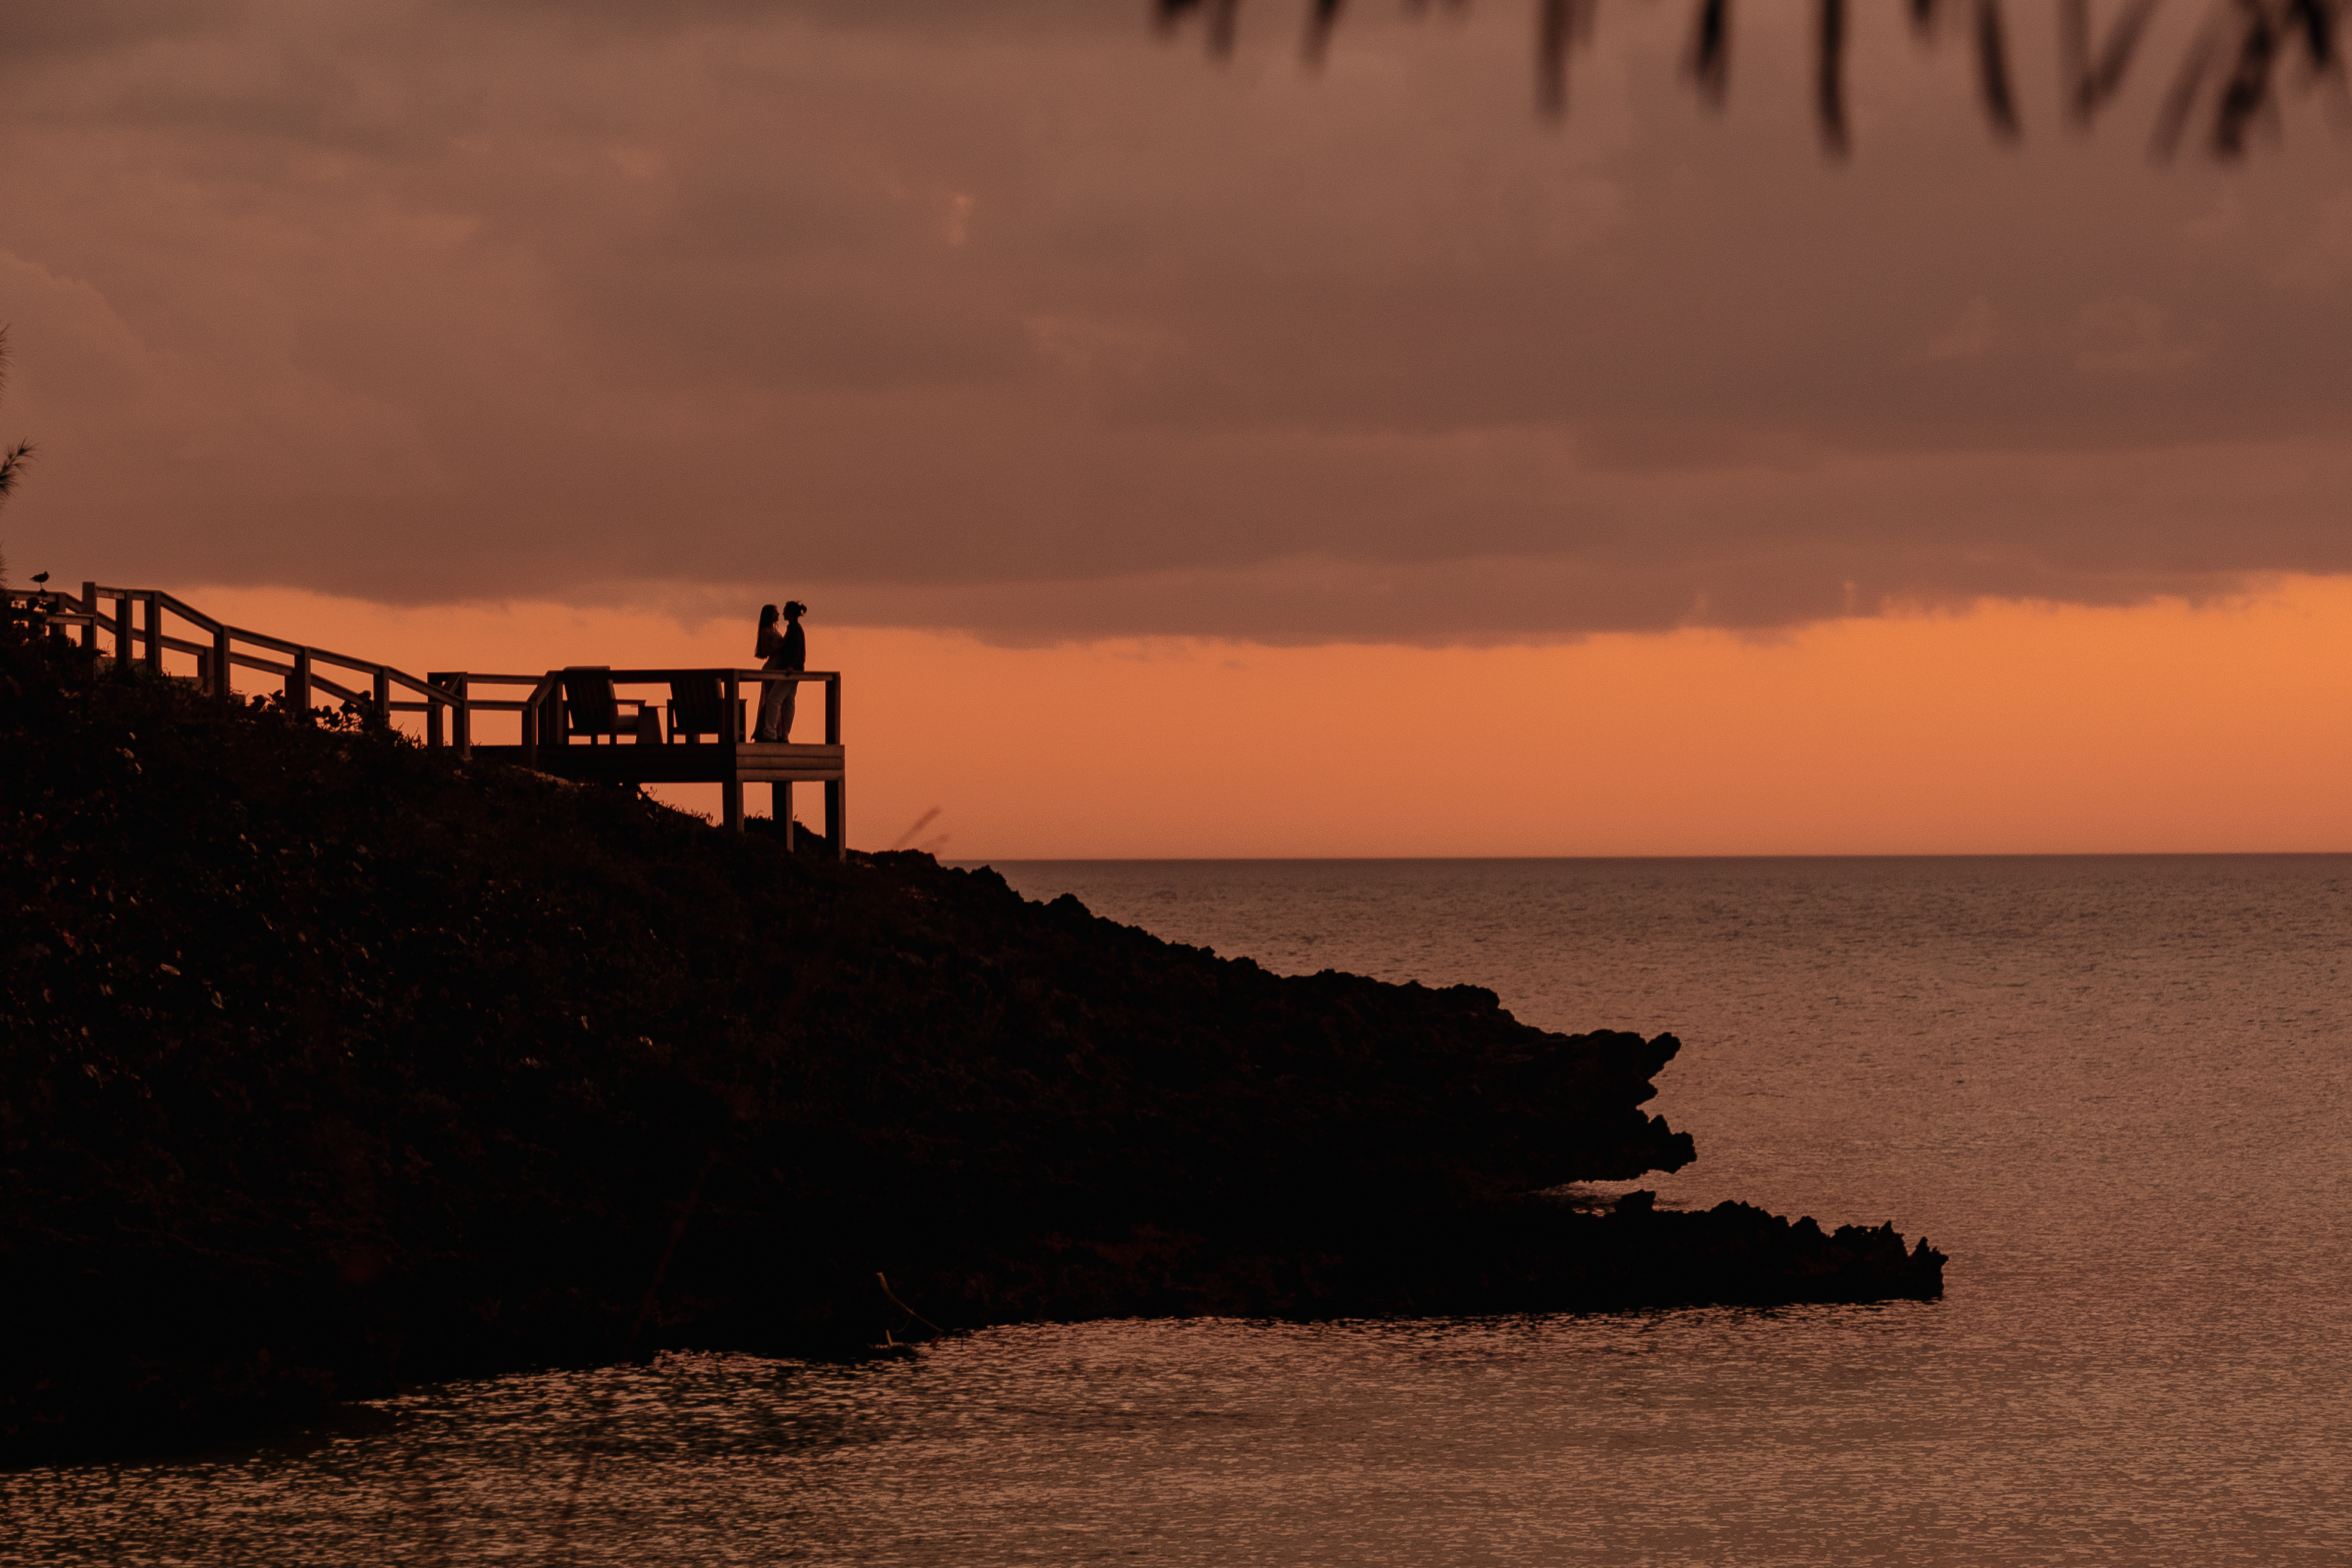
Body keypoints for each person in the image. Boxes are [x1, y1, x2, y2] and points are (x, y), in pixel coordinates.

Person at [754, 600, 807, 742]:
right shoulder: (787, 629)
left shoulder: (794, 629)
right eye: (777, 611)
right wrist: (783, 646)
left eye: (783, 611)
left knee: (778, 700)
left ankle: (775, 733)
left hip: (787, 669)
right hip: (777, 668)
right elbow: (769, 651)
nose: (781, 613)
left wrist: (791, 665)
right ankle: (777, 733)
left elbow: (796, 650)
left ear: (790, 613)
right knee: (781, 700)